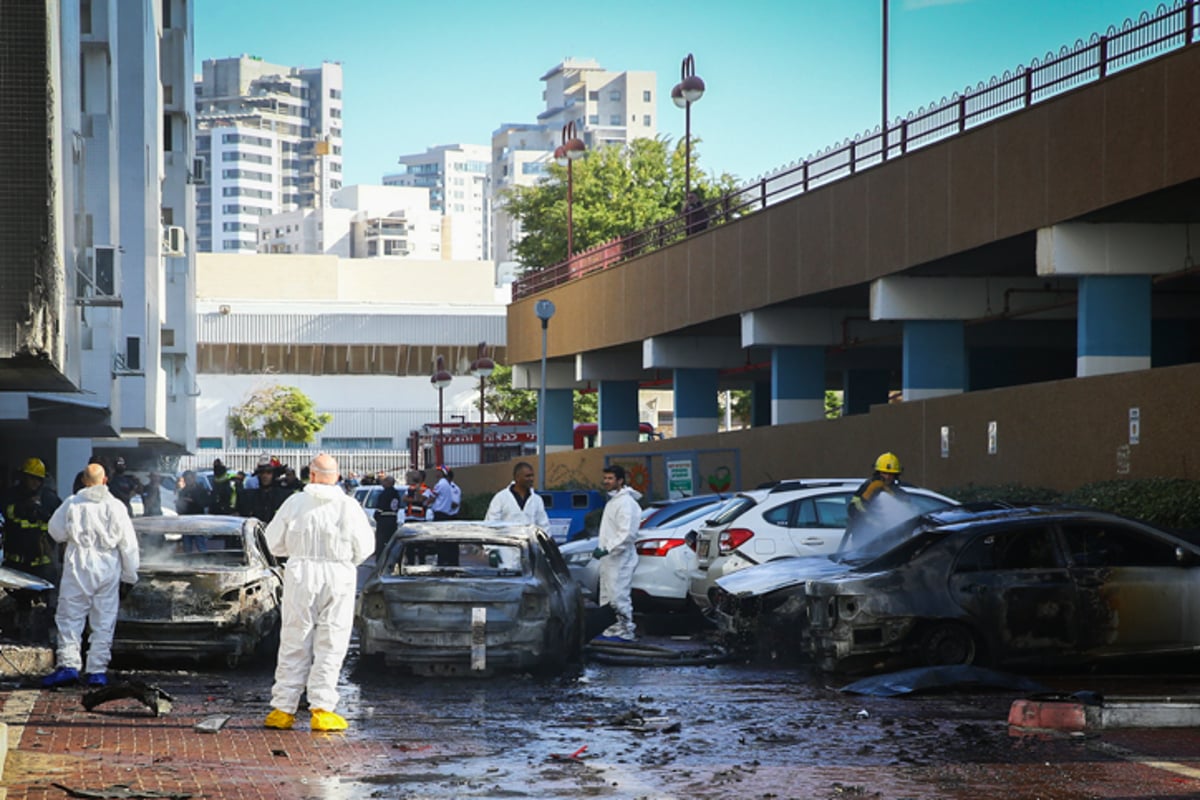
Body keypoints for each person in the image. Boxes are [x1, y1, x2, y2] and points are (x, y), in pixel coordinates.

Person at [262, 453, 374, 732]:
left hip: (300, 574)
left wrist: (299, 554)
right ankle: (322, 710)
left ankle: (282, 709)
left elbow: (273, 543)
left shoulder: (295, 503)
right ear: (336, 476)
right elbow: (366, 548)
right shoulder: (349, 506)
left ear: (311, 475)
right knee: (332, 641)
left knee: (294, 638)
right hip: (339, 575)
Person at [41, 462, 140, 688]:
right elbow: (129, 545)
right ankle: (97, 671)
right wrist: (129, 576)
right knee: (103, 620)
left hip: (78, 565)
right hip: (107, 567)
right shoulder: (116, 507)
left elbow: (55, 532)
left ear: (84, 481)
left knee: (70, 617)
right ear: (105, 481)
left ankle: (68, 666)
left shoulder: (72, 503)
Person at [3, 457, 63, 637]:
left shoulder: (50, 499)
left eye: (38, 479)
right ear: (22, 477)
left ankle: (41, 635)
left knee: (44, 605)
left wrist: (42, 513)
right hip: (15, 561)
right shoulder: (9, 497)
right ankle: (17, 632)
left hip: (42, 563)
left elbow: (61, 526)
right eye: (30, 478)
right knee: (19, 603)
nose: (34, 482)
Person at [591, 465, 643, 642]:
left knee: (618, 596)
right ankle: (610, 631)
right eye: (605, 478)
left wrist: (607, 548)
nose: (606, 481)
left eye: (610, 478)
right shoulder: (614, 501)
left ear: (620, 481)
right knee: (606, 596)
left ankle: (625, 632)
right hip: (610, 559)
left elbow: (627, 533)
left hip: (620, 558)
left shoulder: (626, 503)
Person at [845, 452, 910, 547]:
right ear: (878, 472)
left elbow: (906, 515)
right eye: (884, 473)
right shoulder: (867, 487)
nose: (887, 477)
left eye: (891, 474)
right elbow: (853, 510)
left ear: (896, 475)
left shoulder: (900, 493)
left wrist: (890, 493)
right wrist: (867, 495)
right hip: (866, 540)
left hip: (890, 542)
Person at [484, 462, 549, 528]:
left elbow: (543, 525)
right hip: (507, 537)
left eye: (532, 476)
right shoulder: (501, 498)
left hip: (529, 537)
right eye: (528, 476)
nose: (531, 479)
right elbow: (491, 523)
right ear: (517, 477)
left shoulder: (537, 500)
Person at [373, 474, 402, 557]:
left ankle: (380, 560)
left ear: (388, 483)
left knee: (381, 542)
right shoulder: (396, 494)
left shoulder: (384, 494)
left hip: (384, 519)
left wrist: (377, 517)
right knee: (391, 541)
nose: (382, 483)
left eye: (384, 481)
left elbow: (380, 508)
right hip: (393, 519)